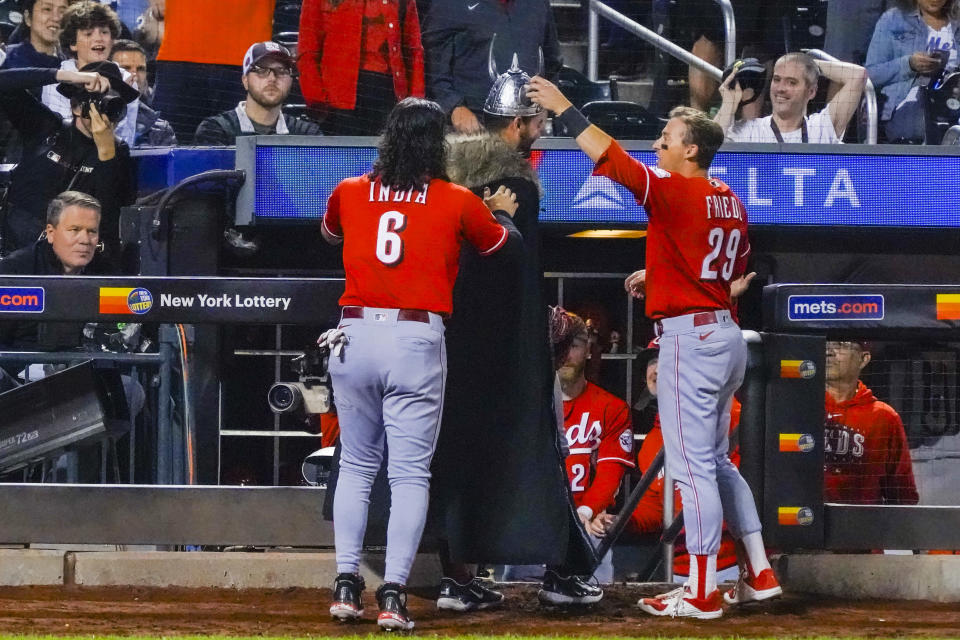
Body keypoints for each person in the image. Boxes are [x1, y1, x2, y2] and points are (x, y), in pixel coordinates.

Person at [527, 78, 780, 619]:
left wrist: (563, 108)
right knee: (716, 463)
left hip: (692, 341)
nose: (659, 144)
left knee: (692, 469)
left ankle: (703, 590)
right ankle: (759, 571)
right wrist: (661, 276)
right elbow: (721, 275)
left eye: (667, 136)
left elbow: (611, 157)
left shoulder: (675, 187)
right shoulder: (728, 198)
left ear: (693, 148)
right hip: (725, 333)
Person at [319, 97, 521, 631]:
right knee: (409, 473)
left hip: (354, 334)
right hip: (413, 337)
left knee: (357, 467)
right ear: (438, 145)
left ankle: (344, 584)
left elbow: (331, 233)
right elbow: (501, 246)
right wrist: (500, 211)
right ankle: (393, 596)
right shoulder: (456, 199)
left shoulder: (350, 189)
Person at [434, 58, 597, 610]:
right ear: (515, 124)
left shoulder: (449, 183)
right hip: (509, 353)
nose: (541, 128)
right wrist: (535, 339)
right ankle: (564, 573)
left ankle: (459, 578)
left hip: (450, 348)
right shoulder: (517, 190)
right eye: (536, 120)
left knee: (458, 461)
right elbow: (514, 273)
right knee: (535, 455)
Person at [0, 61, 136, 257]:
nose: (106, 112)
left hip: (77, 263)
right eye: (98, 101)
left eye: (113, 103)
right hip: (19, 253)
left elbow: (110, 214)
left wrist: (106, 152)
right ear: (76, 106)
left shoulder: (118, 152)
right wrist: (66, 76)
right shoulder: (46, 128)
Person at [557, 309, 634, 584]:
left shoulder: (611, 408)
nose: (566, 355)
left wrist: (586, 511)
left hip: (586, 521)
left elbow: (610, 472)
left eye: (574, 346)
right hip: (538, 521)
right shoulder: (526, 407)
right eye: (559, 347)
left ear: (588, 350)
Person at [421, 0, 562, 133]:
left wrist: (545, 107)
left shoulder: (539, 4)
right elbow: (431, 65)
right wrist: (453, 108)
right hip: (474, 131)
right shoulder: (450, 4)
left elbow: (551, 61)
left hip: (527, 129)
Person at [297, 0, 425, 136]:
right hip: (338, 101)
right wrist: (317, 101)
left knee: (386, 154)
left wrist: (415, 104)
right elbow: (307, 51)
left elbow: (413, 50)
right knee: (346, 155)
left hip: (389, 95)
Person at [824, 340, 919, 504]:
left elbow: (902, 493)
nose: (829, 352)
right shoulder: (802, 405)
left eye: (840, 344)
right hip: (805, 524)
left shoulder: (884, 417)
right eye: (826, 345)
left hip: (864, 525)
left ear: (864, 359)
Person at [42, 1, 139, 148]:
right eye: (88, 33)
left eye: (104, 32)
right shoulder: (58, 79)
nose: (99, 38)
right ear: (73, 44)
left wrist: (121, 97)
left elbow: (126, 139)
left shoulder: (126, 80)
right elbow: (61, 131)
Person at [715, 51, 868, 143]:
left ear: (811, 92)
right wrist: (729, 103)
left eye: (792, 82)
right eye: (777, 80)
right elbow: (706, 150)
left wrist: (807, 63)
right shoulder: (749, 130)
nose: (781, 89)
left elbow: (858, 76)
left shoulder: (822, 127)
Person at [866, 0, 960, 143]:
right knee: (928, 119)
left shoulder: (957, 23)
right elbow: (871, 74)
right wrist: (909, 64)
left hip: (953, 100)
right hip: (909, 104)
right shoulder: (892, 20)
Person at [194, 41, 322, 145]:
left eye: (281, 71)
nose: (272, 78)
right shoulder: (215, 130)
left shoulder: (307, 134)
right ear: (245, 80)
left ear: (291, 80)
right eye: (261, 70)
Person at [110, 39, 176, 147]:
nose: (134, 75)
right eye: (125, 68)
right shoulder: (87, 121)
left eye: (140, 69)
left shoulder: (160, 130)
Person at [1, 0, 68, 70]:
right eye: (47, 9)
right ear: (28, 18)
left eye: (62, 12)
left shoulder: (72, 65)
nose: (56, 18)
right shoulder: (5, 60)